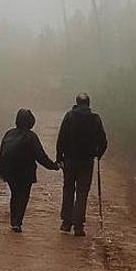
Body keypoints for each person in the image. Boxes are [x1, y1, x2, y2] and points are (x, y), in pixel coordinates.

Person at [0, 108, 59, 233]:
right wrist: (54, 166)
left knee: (15, 195)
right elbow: (40, 156)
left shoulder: (9, 134)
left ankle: (14, 221)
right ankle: (17, 222)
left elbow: (2, 152)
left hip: (9, 171)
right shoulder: (31, 136)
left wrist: (1, 170)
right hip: (25, 172)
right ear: (31, 121)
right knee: (23, 196)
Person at [56, 93, 108, 237]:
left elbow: (61, 138)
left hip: (70, 160)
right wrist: (98, 154)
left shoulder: (69, 117)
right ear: (89, 103)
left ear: (77, 103)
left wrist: (59, 157)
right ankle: (78, 226)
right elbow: (103, 141)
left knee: (68, 190)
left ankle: (66, 223)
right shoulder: (95, 119)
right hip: (87, 161)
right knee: (82, 193)